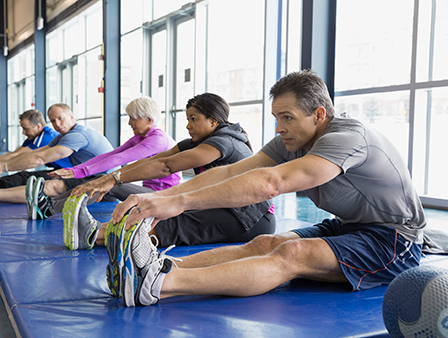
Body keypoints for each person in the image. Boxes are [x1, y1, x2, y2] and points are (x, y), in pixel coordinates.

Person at [103, 69, 425, 307]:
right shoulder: (292, 138)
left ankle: (158, 284)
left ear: (319, 114)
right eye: (275, 117)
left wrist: (183, 202)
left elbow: (273, 183)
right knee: (263, 243)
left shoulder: (347, 139)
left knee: (291, 252)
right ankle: (151, 268)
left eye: (287, 117)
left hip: (395, 239)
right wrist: (163, 197)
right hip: (351, 226)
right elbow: (229, 172)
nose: (279, 127)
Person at [62, 93, 275, 296]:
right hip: (222, 204)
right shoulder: (199, 141)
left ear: (213, 121)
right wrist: (111, 177)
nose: (188, 125)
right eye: (187, 119)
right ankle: (96, 232)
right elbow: (155, 160)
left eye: (194, 119)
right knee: (155, 212)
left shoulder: (224, 142)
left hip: (249, 218)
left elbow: (166, 166)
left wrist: (112, 180)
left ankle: (94, 235)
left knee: (175, 221)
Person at [23, 96, 181, 220]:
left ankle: (48, 209)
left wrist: (80, 173)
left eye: (133, 118)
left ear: (149, 120)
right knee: (102, 179)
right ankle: (49, 204)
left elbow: (120, 159)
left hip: (163, 196)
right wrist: (75, 170)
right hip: (150, 191)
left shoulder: (157, 140)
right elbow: (111, 154)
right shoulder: (142, 136)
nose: (129, 123)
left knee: (110, 184)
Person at [0, 103, 115, 202]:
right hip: (83, 174)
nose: (57, 124)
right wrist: (4, 165)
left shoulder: (77, 135)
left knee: (49, 186)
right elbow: (34, 154)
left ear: (71, 117)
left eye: (60, 118)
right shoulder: (62, 136)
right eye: (53, 121)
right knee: (30, 177)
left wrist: (4, 167)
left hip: (104, 183)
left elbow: (39, 159)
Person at [0, 109, 70, 169]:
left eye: (26, 129)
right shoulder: (34, 136)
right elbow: (14, 153)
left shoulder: (46, 137)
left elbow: (18, 155)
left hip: (69, 172)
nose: (23, 132)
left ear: (38, 126)